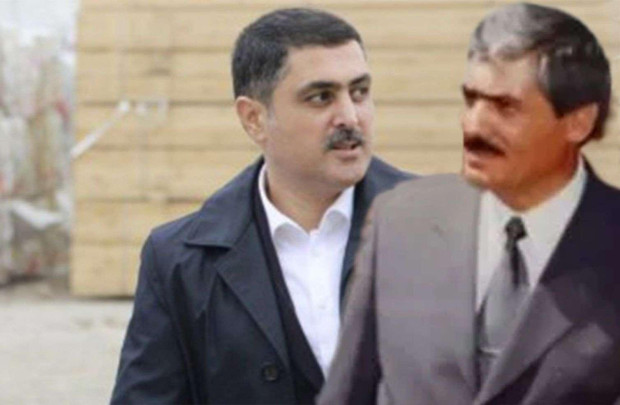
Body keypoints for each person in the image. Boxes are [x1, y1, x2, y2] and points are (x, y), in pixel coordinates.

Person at [319, 3, 620, 404]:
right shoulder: (401, 221)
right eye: (471, 100)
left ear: (578, 122)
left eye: (505, 107)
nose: (473, 126)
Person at [110, 7, 411, 404]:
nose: (350, 117)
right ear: (253, 118)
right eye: (321, 97)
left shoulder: (449, 229)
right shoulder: (180, 261)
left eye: (359, 92)